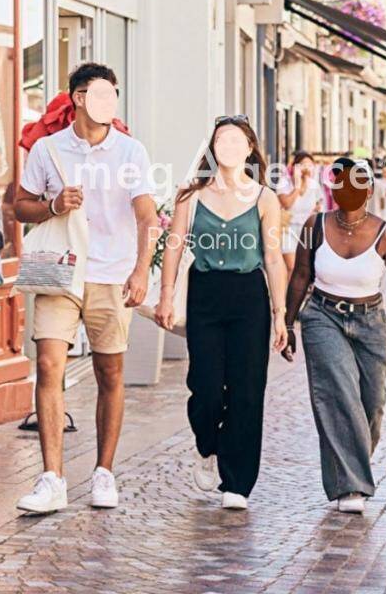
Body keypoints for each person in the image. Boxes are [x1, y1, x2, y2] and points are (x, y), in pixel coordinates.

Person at [14, 63, 158, 514]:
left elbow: (147, 216)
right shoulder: (47, 149)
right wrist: (53, 205)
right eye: (99, 94)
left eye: (113, 94)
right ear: (78, 98)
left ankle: (103, 472)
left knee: (109, 373)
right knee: (48, 365)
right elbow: (20, 207)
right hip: (61, 270)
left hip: (112, 273)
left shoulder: (131, 151)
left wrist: (141, 271)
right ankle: (52, 478)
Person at [284, 157, 386, 514]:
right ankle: (351, 486)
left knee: (372, 402)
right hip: (323, 316)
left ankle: (351, 463)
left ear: (368, 192)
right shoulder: (315, 225)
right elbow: (301, 276)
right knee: (339, 395)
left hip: (370, 322)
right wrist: (287, 324)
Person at [156, 116, 287, 510]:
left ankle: (237, 483)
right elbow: (175, 246)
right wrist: (165, 296)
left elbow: (273, 258)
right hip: (206, 293)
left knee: (247, 389)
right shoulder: (191, 196)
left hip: (249, 297)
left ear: (249, 148)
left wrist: (280, 314)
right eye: (220, 140)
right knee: (206, 386)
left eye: (236, 140)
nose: (228, 146)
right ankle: (207, 445)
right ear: (212, 148)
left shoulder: (265, 198)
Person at [277, 150, 321, 275]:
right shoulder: (284, 183)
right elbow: (286, 204)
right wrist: (297, 186)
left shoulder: (314, 185)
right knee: (291, 266)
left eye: (310, 165)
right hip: (288, 230)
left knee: (304, 267)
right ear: (295, 167)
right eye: (303, 164)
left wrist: (316, 210)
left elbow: (318, 204)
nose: (306, 168)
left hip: (306, 231)